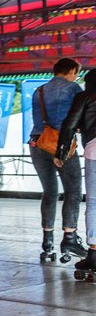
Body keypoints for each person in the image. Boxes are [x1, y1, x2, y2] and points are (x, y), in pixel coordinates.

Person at [31, 57, 84, 264]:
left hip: (38, 142)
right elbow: (78, 117)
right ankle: (69, 238)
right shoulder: (73, 89)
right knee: (73, 190)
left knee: (50, 192)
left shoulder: (39, 91)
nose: (77, 77)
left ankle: (47, 242)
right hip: (62, 144)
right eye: (77, 73)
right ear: (71, 71)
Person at [57, 69, 96, 275]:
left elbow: (69, 124)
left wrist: (61, 152)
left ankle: (94, 254)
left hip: (95, 150)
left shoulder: (85, 96)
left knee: (94, 202)